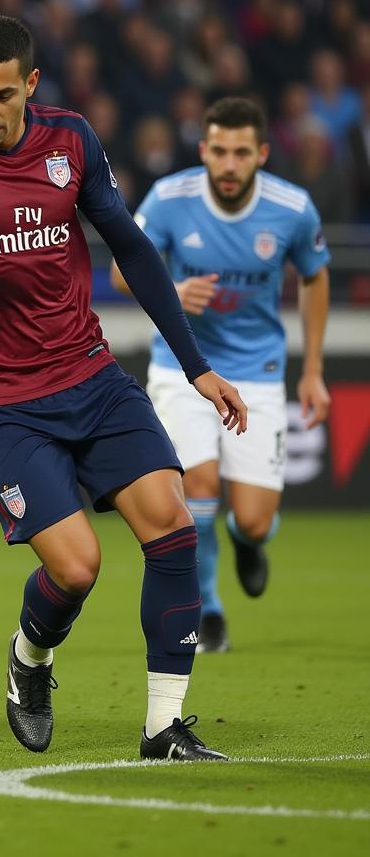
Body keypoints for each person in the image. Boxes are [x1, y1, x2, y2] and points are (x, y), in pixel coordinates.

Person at [0, 15, 247, 761]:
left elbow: (130, 247)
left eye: (2, 94)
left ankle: (163, 726)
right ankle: (30, 660)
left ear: (30, 85)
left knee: (172, 527)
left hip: (89, 374)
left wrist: (196, 365)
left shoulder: (72, 141)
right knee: (76, 568)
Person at [111, 97, 331, 653]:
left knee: (254, 520)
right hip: (183, 366)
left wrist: (313, 371)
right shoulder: (168, 198)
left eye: (241, 153)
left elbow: (315, 276)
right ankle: (209, 609)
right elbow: (119, 271)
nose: (229, 165)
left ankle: (248, 541)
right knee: (198, 487)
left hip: (258, 369)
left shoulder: (292, 208)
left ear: (260, 153)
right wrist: (173, 293)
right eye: (219, 152)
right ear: (204, 150)